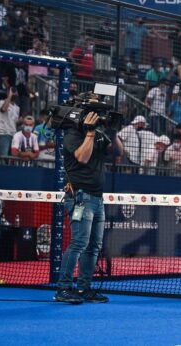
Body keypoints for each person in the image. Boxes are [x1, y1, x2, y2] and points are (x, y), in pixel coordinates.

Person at [54, 95, 123, 304]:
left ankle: (84, 288)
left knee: (93, 246)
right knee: (79, 243)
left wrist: (113, 132)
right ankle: (63, 288)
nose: (98, 116)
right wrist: (90, 132)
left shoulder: (100, 134)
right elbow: (82, 157)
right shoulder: (73, 134)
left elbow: (118, 152)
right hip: (80, 197)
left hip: (98, 198)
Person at [0, 86, 21, 156]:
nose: (14, 93)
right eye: (12, 91)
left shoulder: (17, 108)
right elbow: (3, 109)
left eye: (15, 92)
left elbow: (15, 122)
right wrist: (10, 95)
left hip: (13, 134)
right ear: (8, 93)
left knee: (12, 158)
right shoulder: (2, 102)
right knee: (3, 157)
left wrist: (21, 121)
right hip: (3, 133)